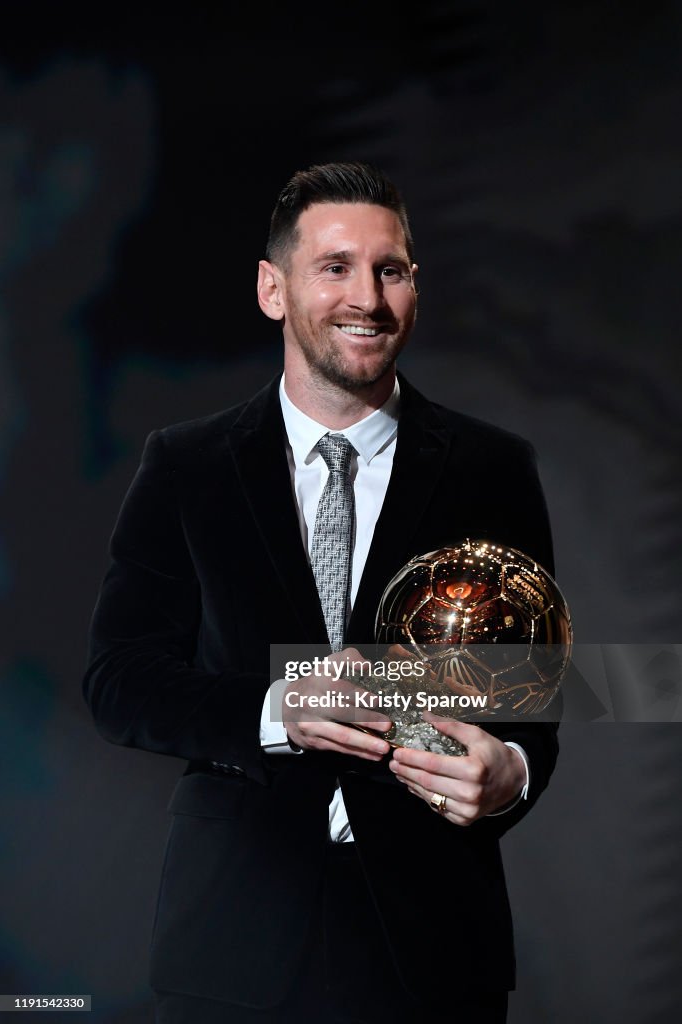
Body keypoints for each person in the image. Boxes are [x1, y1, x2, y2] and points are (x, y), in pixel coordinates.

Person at [84, 161, 559, 1023]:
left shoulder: (494, 470)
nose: (367, 299)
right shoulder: (186, 466)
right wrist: (277, 710)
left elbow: (531, 696)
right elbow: (118, 683)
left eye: (391, 269)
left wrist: (514, 773)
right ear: (273, 289)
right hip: (230, 943)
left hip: (436, 952)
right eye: (335, 266)